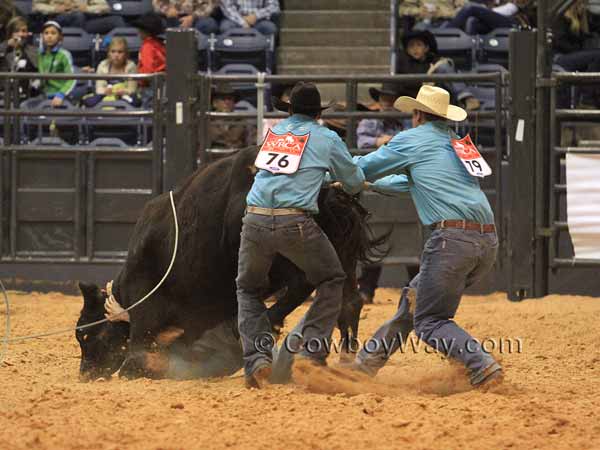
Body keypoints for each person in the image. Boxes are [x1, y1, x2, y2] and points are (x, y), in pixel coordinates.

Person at [350, 85, 503, 389]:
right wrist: (367, 185)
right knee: (414, 301)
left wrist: (335, 175)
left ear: (417, 114)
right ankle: (363, 367)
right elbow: (412, 183)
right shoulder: (458, 143)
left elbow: (364, 166)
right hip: (486, 240)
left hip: (452, 241)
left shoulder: (411, 140)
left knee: (430, 320)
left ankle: (481, 365)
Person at [236, 81, 365, 388]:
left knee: (248, 289)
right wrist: (333, 177)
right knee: (333, 279)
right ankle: (311, 352)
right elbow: (355, 180)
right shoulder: (327, 137)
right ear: (317, 114)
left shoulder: (276, 133)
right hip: (295, 222)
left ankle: (257, 360)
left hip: (253, 219)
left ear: (290, 109)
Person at [396, 29, 480, 111]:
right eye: (411, 45)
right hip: (412, 104)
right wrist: (426, 84)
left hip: (435, 103)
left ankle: (466, 98)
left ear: (426, 48)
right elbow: (404, 87)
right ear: (407, 50)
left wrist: (433, 83)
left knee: (444, 66)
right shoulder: (403, 63)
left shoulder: (435, 62)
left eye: (419, 45)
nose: (415, 49)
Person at [553, 0, 600, 107]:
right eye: (581, 3)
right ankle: (586, 98)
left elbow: (588, 34)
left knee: (596, 57)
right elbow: (560, 42)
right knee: (597, 56)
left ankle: (589, 96)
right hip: (560, 57)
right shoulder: (561, 17)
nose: (583, 6)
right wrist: (580, 51)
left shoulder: (580, 18)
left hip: (572, 54)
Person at [82, 37, 139, 107]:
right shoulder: (102, 65)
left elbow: (132, 89)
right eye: (113, 51)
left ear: (126, 54)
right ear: (108, 53)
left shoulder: (131, 66)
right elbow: (99, 88)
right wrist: (105, 91)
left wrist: (124, 91)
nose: (116, 55)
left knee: (135, 102)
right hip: (105, 95)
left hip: (124, 96)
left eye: (120, 52)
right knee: (89, 101)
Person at [38, 21, 76, 107]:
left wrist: (61, 94)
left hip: (60, 96)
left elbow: (72, 78)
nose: (49, 36)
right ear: (42, 36)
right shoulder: (39, 54)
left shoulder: (64, 54)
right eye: (46, 33)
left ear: (59, 37)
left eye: (53, 33)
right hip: (43, 95)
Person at [32, 0, 126, 35]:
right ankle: (77, 43)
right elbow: (36, 6)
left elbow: (105, 7)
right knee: (78, 16)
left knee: (117, 20)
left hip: (83, 21)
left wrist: (87, 8)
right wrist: (55, 8)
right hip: (57, 20)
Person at [208, 83, 256, 151]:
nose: (227, 102)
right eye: (223, 99)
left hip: (236, 158)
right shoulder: (207, 122)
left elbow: (252, 143)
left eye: (230, 99)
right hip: (214, 158)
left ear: (234, 103)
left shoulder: (243, 122)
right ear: (215, 103)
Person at [444, 0, 536, 35]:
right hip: (495, 18)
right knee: (471, 21)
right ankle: (469, 59)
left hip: (516, 21)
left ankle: (444, 36)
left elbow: (512, 8)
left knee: (470, 8)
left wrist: (487, 11)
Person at [0, 16, 38, 97]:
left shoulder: (34, 51)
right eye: (16, 31)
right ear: (10, 33)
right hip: (3, 95)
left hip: (25, 95)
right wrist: (7, 46)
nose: (21, 34)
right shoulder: (3, 48)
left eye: (24, 31)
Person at [133, 12, 165, 102]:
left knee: (148, 111)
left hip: (150, 86)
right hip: (161, 83)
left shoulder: (147, 46)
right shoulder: (160, 43)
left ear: (144, 31)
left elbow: (148, 69)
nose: (138, 31)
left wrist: (141, 81)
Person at [152, 0, 218, 35]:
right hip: (171, 18)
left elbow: (209, 6)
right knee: (154, 22)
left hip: (195, 18)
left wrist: (193, 16)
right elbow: (156, 3)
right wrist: (167, 10)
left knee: (210, 23)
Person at [398, 0, 465, 33]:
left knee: (470, 9)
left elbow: (464, 8)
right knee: (420, 29)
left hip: (448, 23)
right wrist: (419, 11)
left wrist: (442, 13)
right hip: (425, 22)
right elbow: (401, 10)